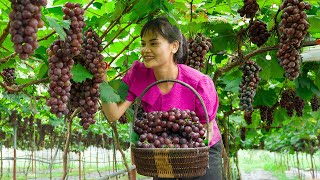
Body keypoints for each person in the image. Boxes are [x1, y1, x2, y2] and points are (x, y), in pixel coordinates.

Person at [102, 17, 222, 180]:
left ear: (174, 46)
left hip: (200, 150)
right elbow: (113, 114)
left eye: (154, 43)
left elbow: (204, 131)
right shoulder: (138, 74)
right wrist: (102, 80)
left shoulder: (198, 83)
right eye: (143, 44)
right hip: (162, 146)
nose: (145, 49)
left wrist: (183, 155)